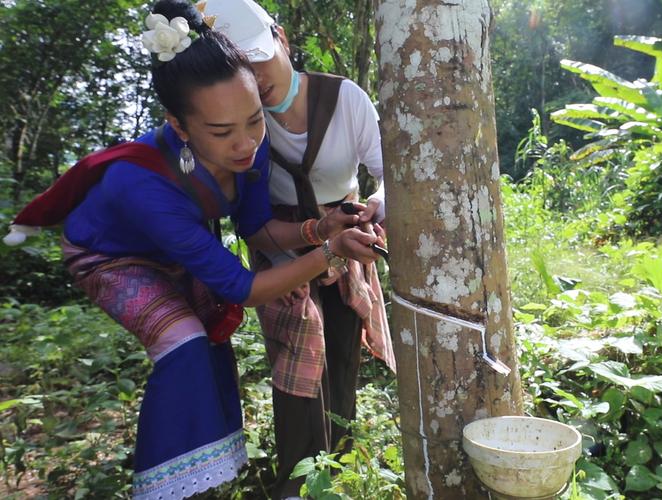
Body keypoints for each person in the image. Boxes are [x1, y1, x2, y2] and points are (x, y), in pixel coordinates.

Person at [6, 1, 384, 498]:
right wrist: (331, 250)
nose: (247, 144)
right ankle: (164, 486)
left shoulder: (256, 142)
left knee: (213, 339)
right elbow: (242, 287)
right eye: (222, 132)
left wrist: (318, 229)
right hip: (112, 256)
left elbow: (257, 228)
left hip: (176, 248)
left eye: (253, 120)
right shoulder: (139, 185)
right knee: (184, 342)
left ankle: (218, 469)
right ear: (180, 126)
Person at [204, 1, 396, 497]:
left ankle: (342, 466)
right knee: (295, 364)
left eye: (259, 57)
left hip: (349, 239)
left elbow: (389, 174)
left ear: (282, 39)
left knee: (340, 351)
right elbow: (256, 226)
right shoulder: (243, 130)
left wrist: (375, 206)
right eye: (239, 68)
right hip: (283, 246)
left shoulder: (345, 100)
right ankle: (298, 479)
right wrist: (317, 236)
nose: (255, 75)